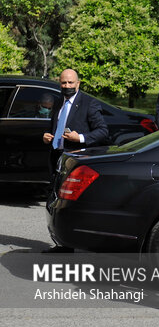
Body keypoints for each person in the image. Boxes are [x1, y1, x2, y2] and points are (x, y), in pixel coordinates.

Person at [42, 68, 109, 252]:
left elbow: (103, 131)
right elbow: (55, 128)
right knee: (56, 203)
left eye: (71, 83)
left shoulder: (88, 103)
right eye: (64, 83)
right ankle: (62, 243)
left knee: (70, 206)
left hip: (77, 161)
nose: (67, 86)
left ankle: (73, 244)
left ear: (78, 83)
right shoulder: (58, 103)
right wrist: (48, 137)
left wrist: (78, 138)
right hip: (58, 158)